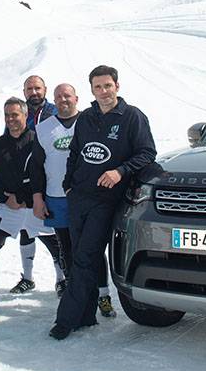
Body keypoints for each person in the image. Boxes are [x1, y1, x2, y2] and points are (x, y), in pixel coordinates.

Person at [51, 65, 156, 340]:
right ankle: (85, 316)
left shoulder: (132, 117)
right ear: (92, 90)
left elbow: (147, 153)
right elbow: (75, 151)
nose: (103, 92)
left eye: (107, 86)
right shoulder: (86, 117)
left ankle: (66, 320)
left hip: (107, 201)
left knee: (86, 256)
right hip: (79, 197)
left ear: (117, 86)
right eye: (97, 87)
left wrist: (120, 171)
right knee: (79, 257)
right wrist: (69, 184)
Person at [37, 84, 115, 314]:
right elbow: (36, 166)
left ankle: (103, 295)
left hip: (87, 197)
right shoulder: (44, 128)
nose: (63, 99)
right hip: (56, 197)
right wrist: (38, 197)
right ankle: (75, 294)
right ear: (54, 100)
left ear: (76, 98)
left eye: (67, 95)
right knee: (67, 248)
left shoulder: (90, 121)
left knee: (93, 248)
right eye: (59, 96)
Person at [0, 97, 64, 295]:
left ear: (25, 115)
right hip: (9, 206)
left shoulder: (37, 140)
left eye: (15, 114)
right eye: (7, 115)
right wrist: (5, 199)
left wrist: (30, 198)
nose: (10, 119)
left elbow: (43, 173)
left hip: (35, 204)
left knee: (56, 245)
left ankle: (62, 280)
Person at [17, 75, 58, 290]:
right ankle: (28, 277)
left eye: (37, 88)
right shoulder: (19, 114)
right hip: (26, 182)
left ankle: (62, 279)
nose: (34, 92)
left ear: (45, 89)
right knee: (26, 229)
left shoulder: (55, 112)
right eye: (29, 89)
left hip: (51, 180)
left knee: (52, 231)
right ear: (24, 92)